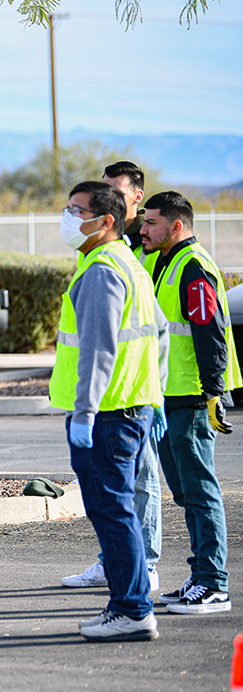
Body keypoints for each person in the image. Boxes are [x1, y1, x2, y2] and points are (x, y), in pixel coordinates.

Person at [50, 181, 166, 642]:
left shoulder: (100, 270)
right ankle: (131, 604)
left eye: (77, 210)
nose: (68, 217)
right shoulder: (129, 264)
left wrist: (84, 413)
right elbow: (157, 334)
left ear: (107, 221)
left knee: (112, 512)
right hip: (130, 408)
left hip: (107, 416)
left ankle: (132, 609)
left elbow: (97, 351)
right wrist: (153, 400)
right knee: (122, 512)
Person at [140, 191, 240, 614]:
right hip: (166, 396)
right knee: (185, 492)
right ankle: (200, 575)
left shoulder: (194, 266)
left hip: (193, 397)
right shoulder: (161, 261)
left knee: (200, 491)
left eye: (151, 222)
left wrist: (214, 392)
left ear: (176, 226)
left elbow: (210, 332)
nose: (142, 229)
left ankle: (214, 583)